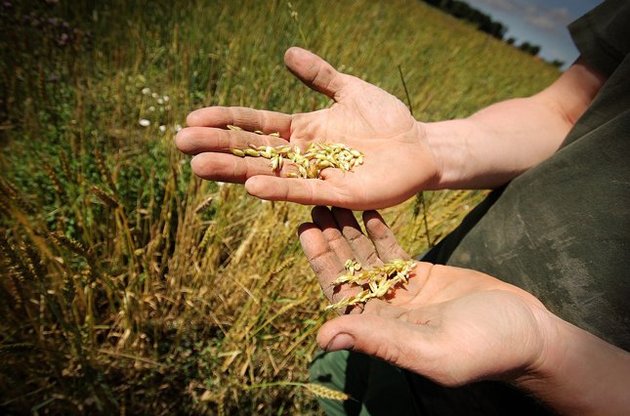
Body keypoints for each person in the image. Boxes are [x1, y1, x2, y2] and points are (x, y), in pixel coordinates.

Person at [175, 0, 630, 414]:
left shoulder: (534, 352)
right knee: (333, 390)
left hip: (512, 386)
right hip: (415, 288)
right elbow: (567, 113)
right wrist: (430, 147)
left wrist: (546, 356)